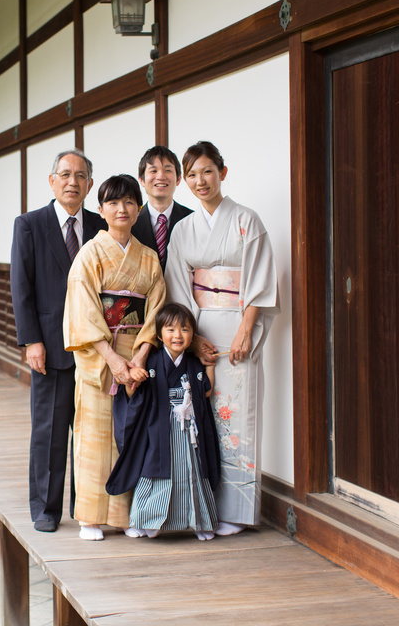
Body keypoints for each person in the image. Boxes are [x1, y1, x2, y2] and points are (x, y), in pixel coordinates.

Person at [164, 141, 279, 536]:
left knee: (238, 417)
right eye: (192, 174)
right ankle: (204, 504)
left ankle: (239, 511)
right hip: (198, 330)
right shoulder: (183, 230)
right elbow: (179, 287)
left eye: (207, 171)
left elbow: (260, 282)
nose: (200, 181)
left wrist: (247, 328)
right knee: (200, 419)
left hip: (237, 329)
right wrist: (190, 338)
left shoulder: (248, 220)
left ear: (222, 173)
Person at [64, 174, 165, 541]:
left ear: (138, 209)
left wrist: (138, 359)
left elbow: (154, 312)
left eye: (128, 202)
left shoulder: (149, 259)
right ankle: (90, 516)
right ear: (101, 209)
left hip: (137, 356)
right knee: (94, 435)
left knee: (133, 435)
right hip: (99, 355)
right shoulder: (89, 254)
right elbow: (83, 312)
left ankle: (130, 515)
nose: (121, 209)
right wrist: (112, 359)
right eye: (112, 202)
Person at [11, 150, 106, 533]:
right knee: (49, 430)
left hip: (94, 348)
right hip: (49, 345)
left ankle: (86, 507)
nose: (72, 182)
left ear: (90, 185)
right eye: (65, 174)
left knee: (90, 432)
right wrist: (31, 340)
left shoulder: (101, 225)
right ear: (52, 181)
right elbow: (21, 287)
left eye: (80, 175)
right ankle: (45, 509)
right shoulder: (30, 224)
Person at [107, 303, 220, 540]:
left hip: (188, 429)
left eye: (185, 330)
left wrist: (209, 367)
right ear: (159, 335)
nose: (177, 335)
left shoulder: (193, 362)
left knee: (191, 472)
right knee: (154, 472)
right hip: (160, 428)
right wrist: (133, 379)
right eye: (170, 330)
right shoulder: (153, 362)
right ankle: (146, 520)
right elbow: (132, 396)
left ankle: (197, 522)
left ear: (193, 336)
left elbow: (205, 392)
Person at [131, 145, 193, 271]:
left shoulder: (192, 220)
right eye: (153, 171)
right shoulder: (130, 222)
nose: (161, 176)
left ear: (179, 179)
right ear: (141, 180)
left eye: (168, 170)